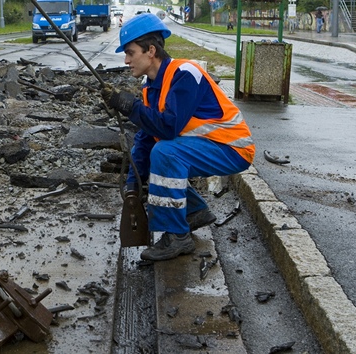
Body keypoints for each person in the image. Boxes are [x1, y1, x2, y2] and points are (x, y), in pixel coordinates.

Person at [101, 14, 255, 261]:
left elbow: (169, 127)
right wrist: (133, 183)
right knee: (156, 154)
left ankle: (177, 237)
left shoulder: (185, 73)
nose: (126, 60)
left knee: (165, 153)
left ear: (151, 50)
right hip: (207, 147)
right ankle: (193, 211)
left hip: (231, 148)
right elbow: (146, 137)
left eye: (130, 52)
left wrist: (132, 108)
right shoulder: (151, 86)